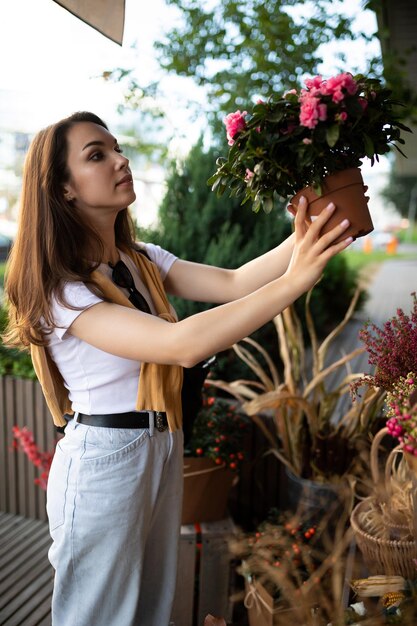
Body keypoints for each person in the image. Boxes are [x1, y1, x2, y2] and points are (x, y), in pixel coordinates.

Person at [3, 111, 353, 626]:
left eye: (116, 148)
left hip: (161, 445)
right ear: (63, 189)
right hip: (105, 461)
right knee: (96, 617)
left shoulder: (138, 258)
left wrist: (309, 232)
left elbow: (234, 282)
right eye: (96, 155)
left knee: (148, 611)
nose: (120, 160)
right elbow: (178, 344)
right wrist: (295, 281)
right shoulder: (61, 290)